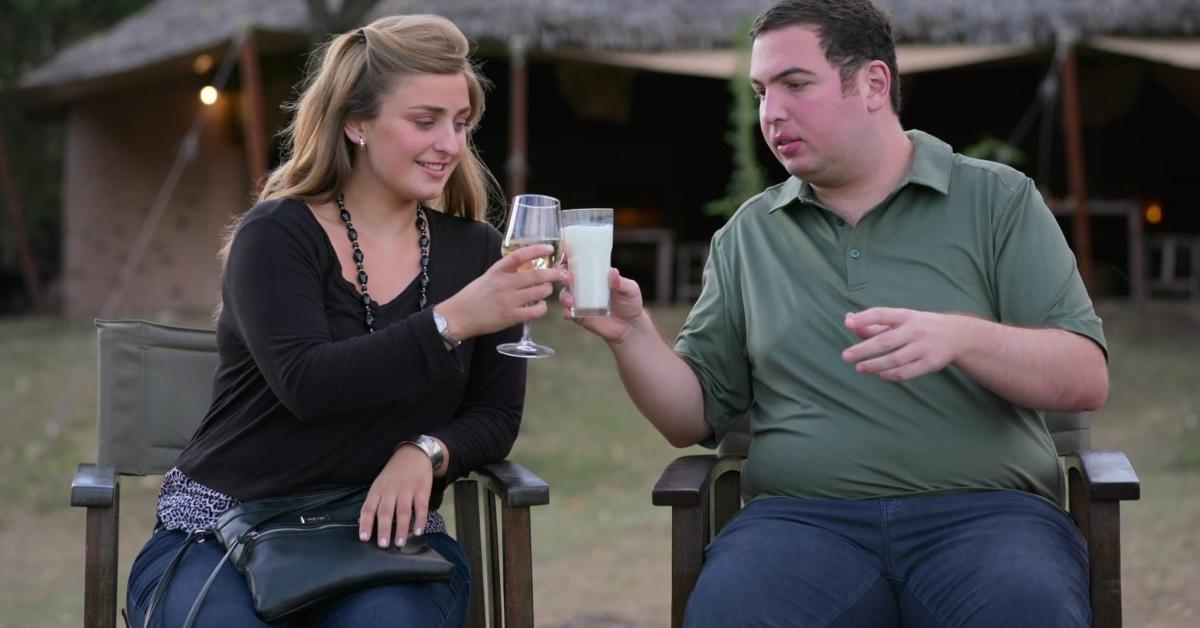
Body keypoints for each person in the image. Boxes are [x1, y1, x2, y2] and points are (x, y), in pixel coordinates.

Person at [561, 1, 1108, 626]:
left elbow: (1084, 377)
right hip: (800, 523)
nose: (771, 113)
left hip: (988, 517)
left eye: (796, 85)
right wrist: (631, 334)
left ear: (873, 83)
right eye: (761, 91)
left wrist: (961, 337)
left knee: (1026, 610)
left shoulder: (996, 200)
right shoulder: (747, 236)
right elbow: (692, 417)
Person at [126, 15, 558, 627]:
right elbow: (310, 384)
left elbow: (494, 415)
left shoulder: (477, 252)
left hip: (384, 536)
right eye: (424, 120)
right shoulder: (276, 235)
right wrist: (451, 321)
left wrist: (428, 450)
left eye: (460, 124)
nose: (450, 145)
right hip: (223, 528)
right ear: (356, 123)